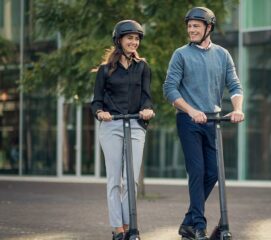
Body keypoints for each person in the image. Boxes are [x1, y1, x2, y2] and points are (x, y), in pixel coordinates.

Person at [163, 7, 244, 240]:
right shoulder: (180, 54)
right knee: (197, 171)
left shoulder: (223, 55)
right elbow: (169, 89)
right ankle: (199, 225)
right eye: (189, 26)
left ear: (209, 27)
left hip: (213, 122)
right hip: (189, 121)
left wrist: (237, 109)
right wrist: (191, 110)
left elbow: (235, 86)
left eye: (196, 26)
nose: (191, 30)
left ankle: (188, 222)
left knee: (214, 172)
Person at [91, 19, 154, 240]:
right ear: (119, 40)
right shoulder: (105, 70)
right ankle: (118, 230)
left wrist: (147, 110)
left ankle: (130, 227)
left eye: (137, 38)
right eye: (130, 38)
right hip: (112, 126)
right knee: (115, 180)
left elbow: (147, 98)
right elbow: (96, 102)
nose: (134, 42)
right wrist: (101, 113)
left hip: (135, 126)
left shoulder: (143, 67)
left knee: (131, 180)